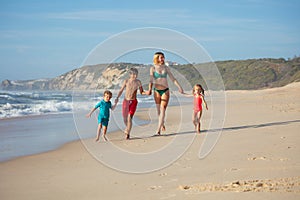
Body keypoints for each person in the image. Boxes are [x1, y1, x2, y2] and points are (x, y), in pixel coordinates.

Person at [147, 52, 184, 135]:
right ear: (157, 58)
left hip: (165, 90)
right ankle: (162, 123)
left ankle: (158, 130)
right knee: (158, 111)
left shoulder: (166, 68)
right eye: (161, 57)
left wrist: (179, 87)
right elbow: (151, 80)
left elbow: (173, 78)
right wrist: (149, 89)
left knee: (163, 108)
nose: (163, 59)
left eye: (163, 57)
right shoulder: (152, 68)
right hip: (156, 91)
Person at [115, 68, 149, 140]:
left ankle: (128, 133)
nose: (135, 76)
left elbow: (142, 92)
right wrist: (117, 97)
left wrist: (146, 92)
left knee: (129, 118)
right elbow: (121, 90)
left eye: (136, 74)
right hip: (126, 101)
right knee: (125, 119)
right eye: (133, 74)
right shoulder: (126, 81)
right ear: (130, 74)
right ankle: (127, 128)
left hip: (133, 102)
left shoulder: (138, 82)